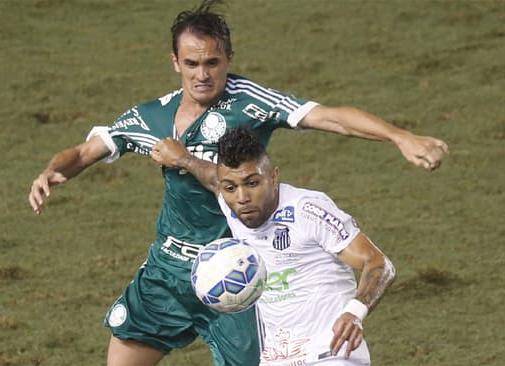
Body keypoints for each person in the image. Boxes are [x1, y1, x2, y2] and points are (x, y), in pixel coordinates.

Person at [27, 1, 445, 365]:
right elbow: (85, 151)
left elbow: (330, 116)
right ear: (175, 62)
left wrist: (399, 136)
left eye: (213, 62)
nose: (203, 74)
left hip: (238, 275)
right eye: (192, 64)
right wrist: (54, 170)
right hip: (168, 269)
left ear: (229, 57)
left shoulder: (252, 102)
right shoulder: (151, 116)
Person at [151, 126, 396, 365]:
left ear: (274, 177)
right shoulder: (233, 204)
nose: (242, 197)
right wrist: (184, 159)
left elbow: (378, 264)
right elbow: (214, 180)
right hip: (277, 357)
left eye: (253, 183)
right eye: (231, 188)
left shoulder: (307, 211)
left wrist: (355, 312)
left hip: (331, 354)